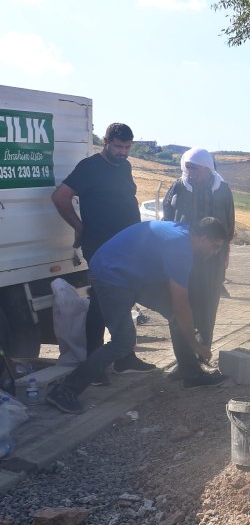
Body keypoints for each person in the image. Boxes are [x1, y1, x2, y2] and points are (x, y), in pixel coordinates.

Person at [45, 218, 230, 414]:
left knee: (175, 313)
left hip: (134, 272)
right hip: (111, 275)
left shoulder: (185, 234)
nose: (215, 252)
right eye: (215, 246)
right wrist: (196, 345)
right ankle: (64, 389)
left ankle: (190, 373)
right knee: (123, 342)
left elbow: (178, 309)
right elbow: (181, 306)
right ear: (202, 238)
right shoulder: (180, 250)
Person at [51, 122, 153, 378]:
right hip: (101, 247)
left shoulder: (125, 166)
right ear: (106, 142)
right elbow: (60, 197)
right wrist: (78, 226)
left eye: (127, 147)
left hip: (127, 248)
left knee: (125, 299)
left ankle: (124, 357)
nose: (123, 152)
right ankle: (93, 366)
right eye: (118, 146)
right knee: (99, 302)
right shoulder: (90, 167)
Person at [161, 148, 236, 373]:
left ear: (208, 168)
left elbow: (229, 224)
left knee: (207, 309)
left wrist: (225, 253)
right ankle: (184, 362)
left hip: (213, 259)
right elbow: (167, 218)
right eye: (187, 168)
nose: (190, 173)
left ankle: (201, 357)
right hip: (183, 257)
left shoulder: (222, 189)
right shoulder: (178, 187)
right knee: (180, 308)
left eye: (195, 169)